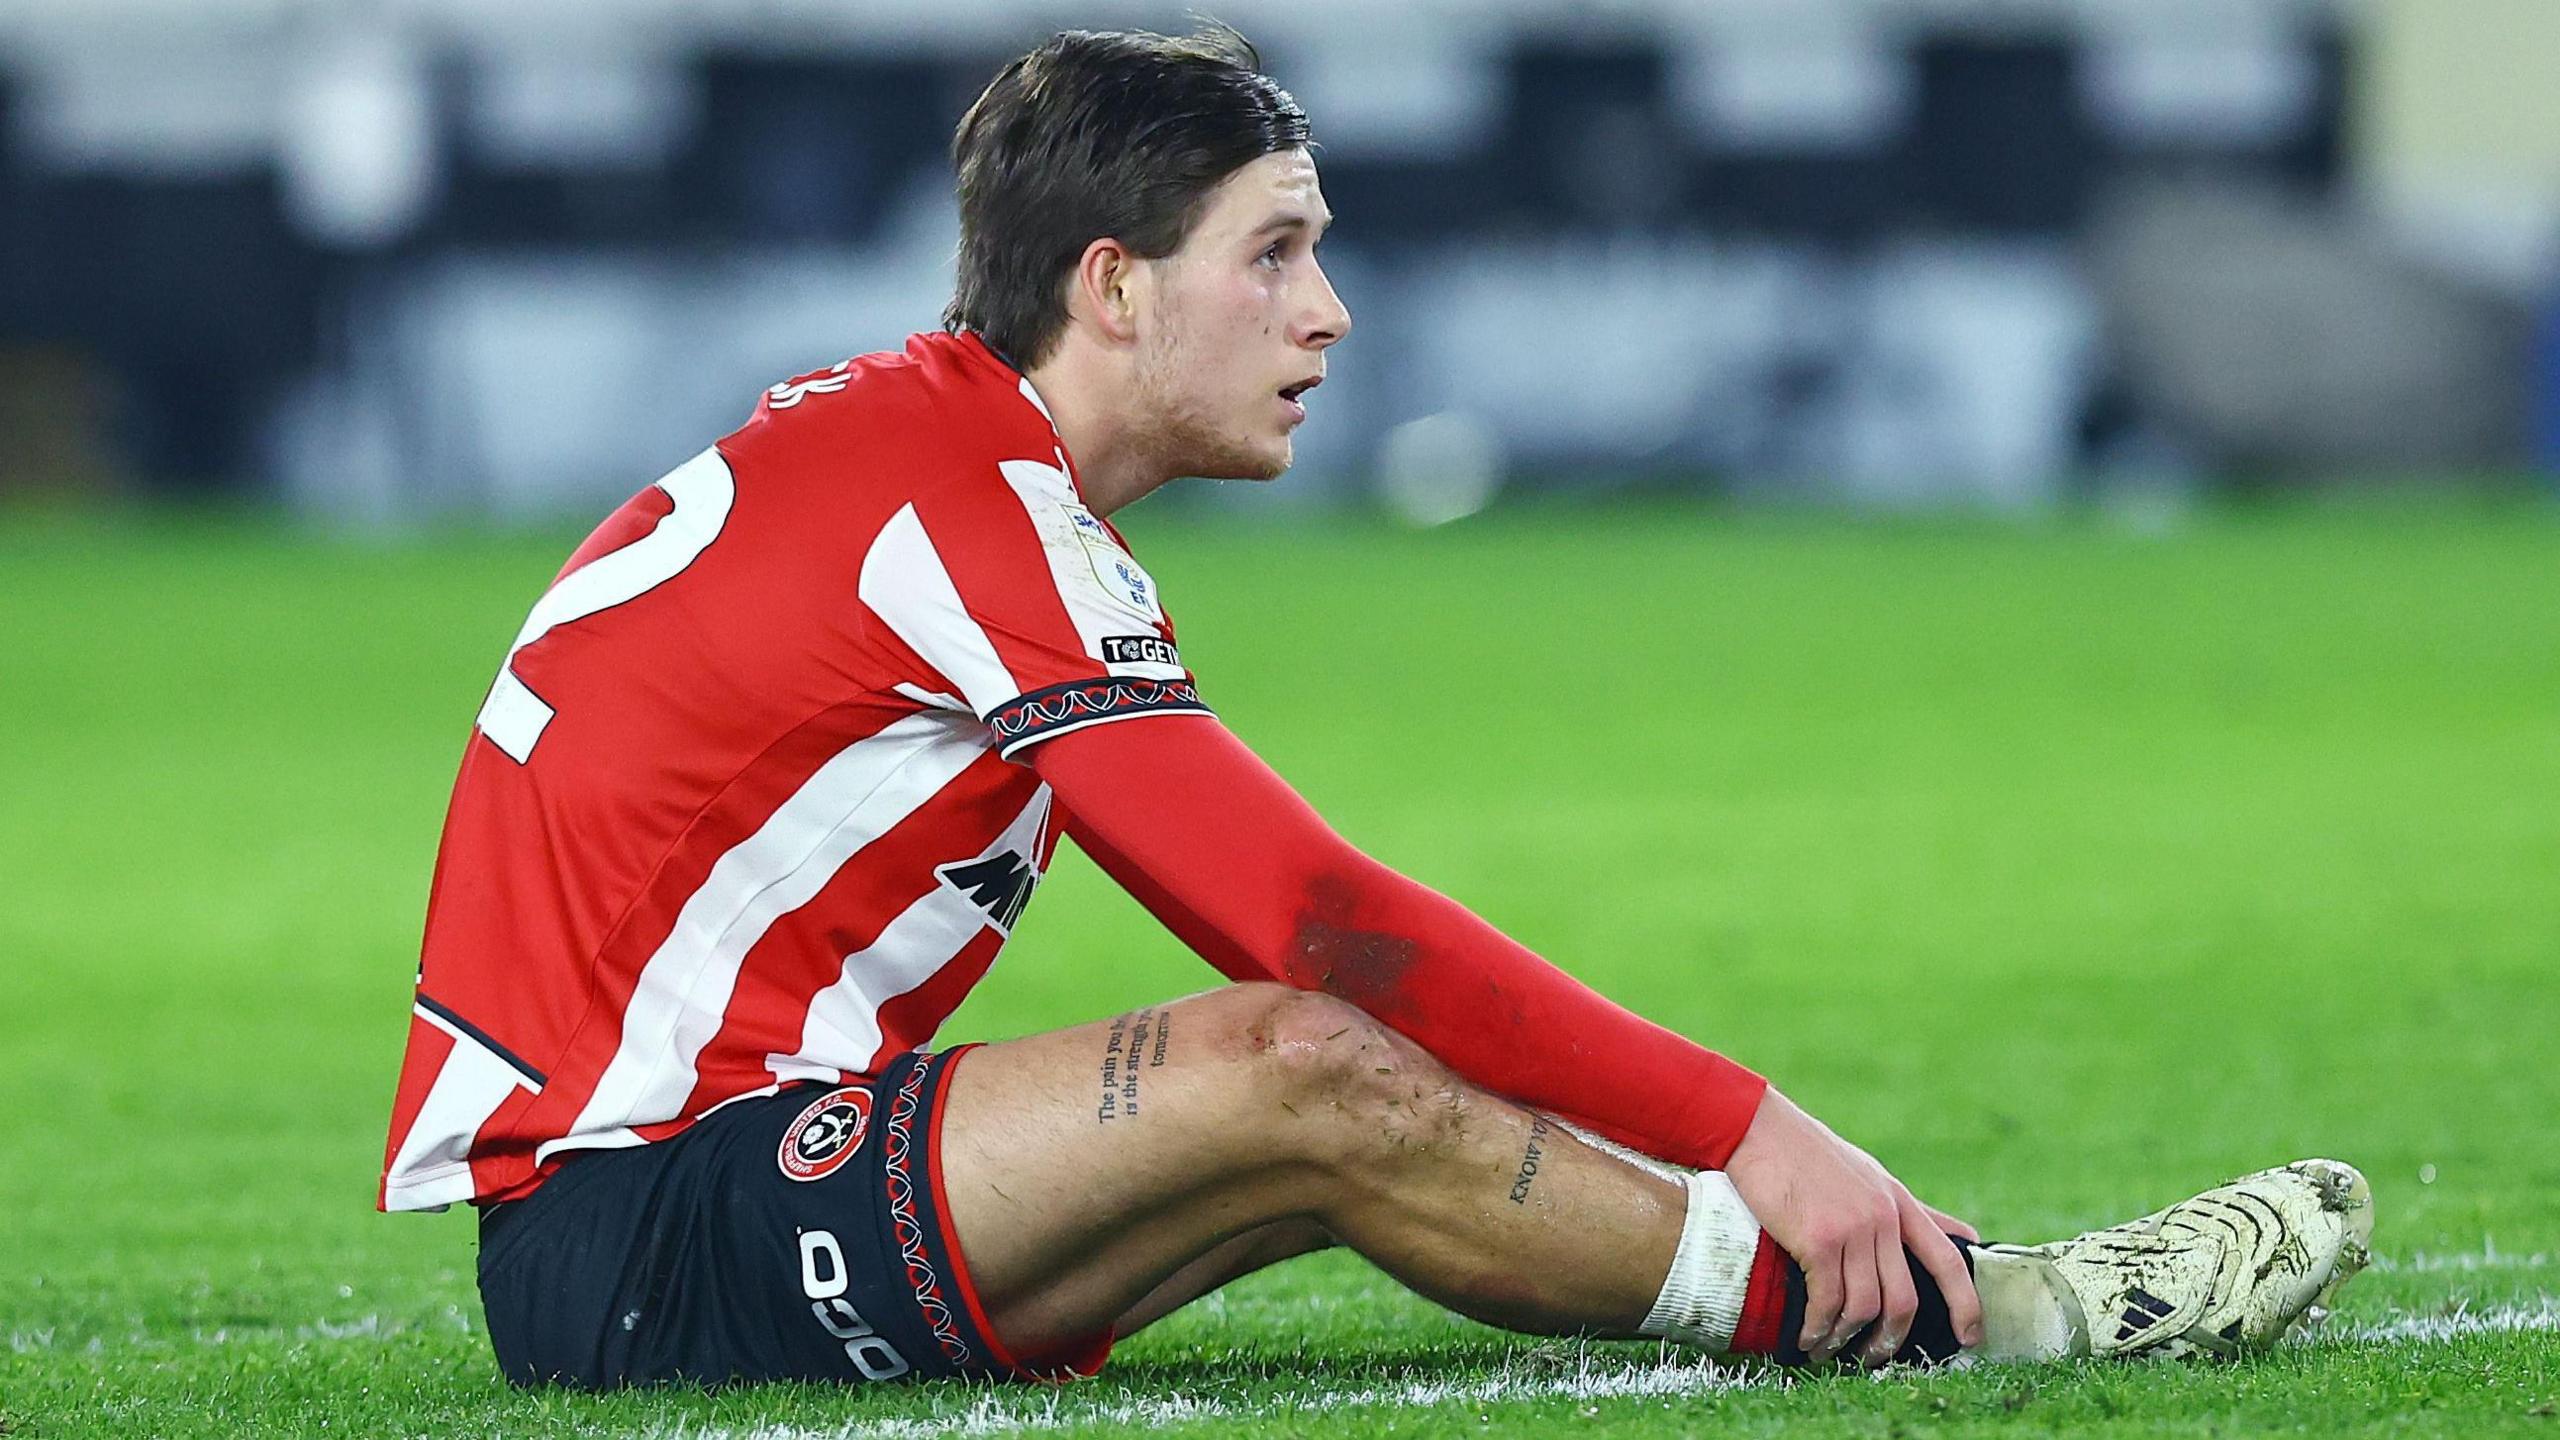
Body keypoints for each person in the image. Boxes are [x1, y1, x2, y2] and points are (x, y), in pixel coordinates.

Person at [379, 25, 2372, 1390]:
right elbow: (1309, 918)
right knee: (1304, 1054)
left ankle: (1916, 1290)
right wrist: (1757, 1127)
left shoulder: (929, 458)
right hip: (644, 1217)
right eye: (1275, 255)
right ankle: (1971, 1315)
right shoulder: (966, 513)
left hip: (685, 1189)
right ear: (1113, 288)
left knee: (1339, 1099)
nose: (1328, 310)